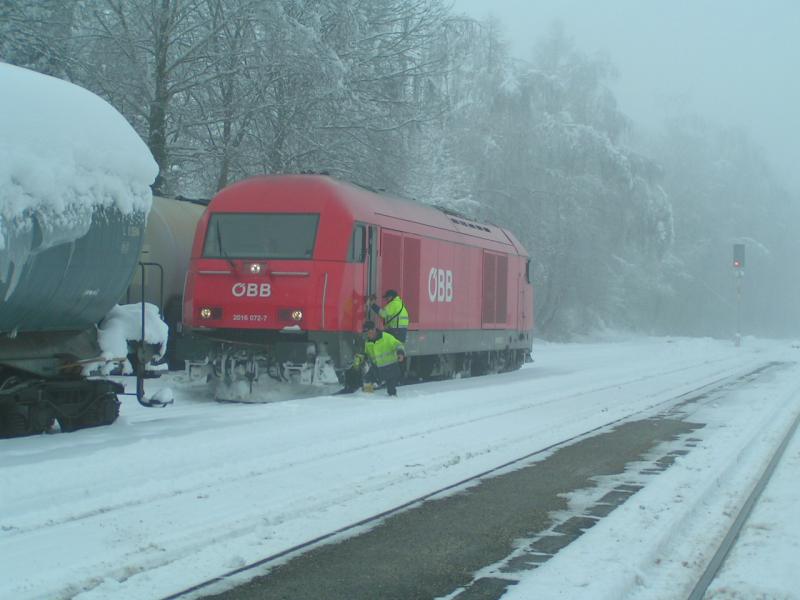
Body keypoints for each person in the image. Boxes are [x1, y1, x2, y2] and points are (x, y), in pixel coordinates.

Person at [362, 320, 405, 396]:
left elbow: (398, 345)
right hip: (377, 369)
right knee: (366, 381)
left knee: (391, 391)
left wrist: (400, 353)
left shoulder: (386, 337)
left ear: (374, 329)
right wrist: (362, 359)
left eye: (369, 332)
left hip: (390, 368)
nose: (368, 334)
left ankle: (393, 403)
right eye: (366, 333)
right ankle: (368, 398)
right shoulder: (367, 342)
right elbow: (366, 354)